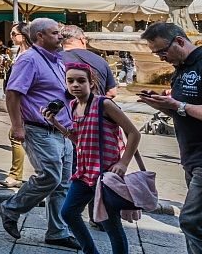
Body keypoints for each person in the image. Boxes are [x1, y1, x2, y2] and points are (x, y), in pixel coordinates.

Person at [139, 21, 202, 254]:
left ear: (180, 41)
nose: (161, 58)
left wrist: (178, 105)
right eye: (156, 53)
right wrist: (164, 105)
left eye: (162, 51)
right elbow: (186, 110)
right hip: (195, 157)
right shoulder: (181, 69)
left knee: (195, 223)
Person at [43, 63, 142, 254]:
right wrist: (55, 123)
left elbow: (134, 133)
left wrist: (123, 163)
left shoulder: (104, 104)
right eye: (70, 81)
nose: (75, 85)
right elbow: (79, 139)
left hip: (105, 174)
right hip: (85, 172)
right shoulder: (73, 106)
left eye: (81, 81)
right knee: (68, 213)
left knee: (110, 223)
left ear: (91, 83)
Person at [0, 18, 77, 248]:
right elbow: (13, 94)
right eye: (55, 33)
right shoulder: (30, 60)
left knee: (63, 183)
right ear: (40, 36)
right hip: (39, 128)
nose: (60, 36)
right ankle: (11, 209)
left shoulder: (58, 60)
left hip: (63, 129)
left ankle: (57, 231)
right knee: (50, 176)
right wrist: (17, 125)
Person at [3, 23, 32, 189]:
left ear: (23, 35)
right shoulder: (20, 53)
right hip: (20, 102)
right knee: (17, 137)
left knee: (16, 136)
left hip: (24, 102)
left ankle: (15, 175)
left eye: (14, 34)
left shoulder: (28, 55)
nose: (11, 37)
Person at [61, 26, 118, 99]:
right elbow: (112, 93)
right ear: (82, 39)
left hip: (66, 108)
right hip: (94, 108)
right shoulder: (100, 60)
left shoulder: (54, 60)